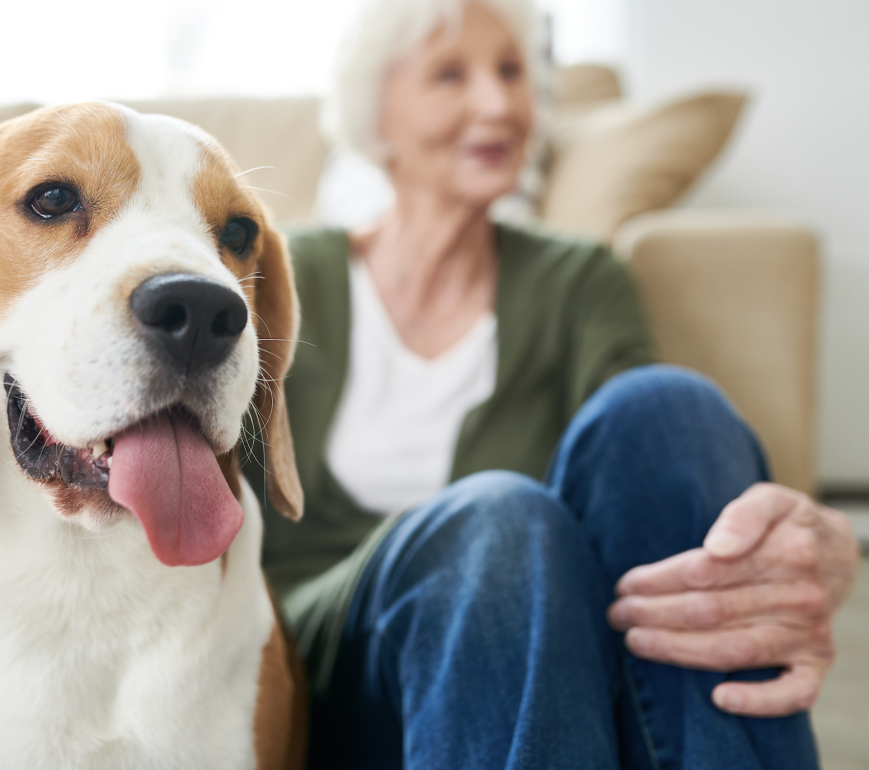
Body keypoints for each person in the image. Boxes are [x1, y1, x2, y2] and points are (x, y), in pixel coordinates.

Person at [242, 1, 860, 767]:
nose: (499, 103)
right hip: (336, 668)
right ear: (380, 115)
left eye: (512, 72)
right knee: (497, 517)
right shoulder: (283, 270)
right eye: (450, 74)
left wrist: (794, 533)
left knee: (670, 407)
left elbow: (659, 472)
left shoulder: (579, 276)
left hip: (543, 652)